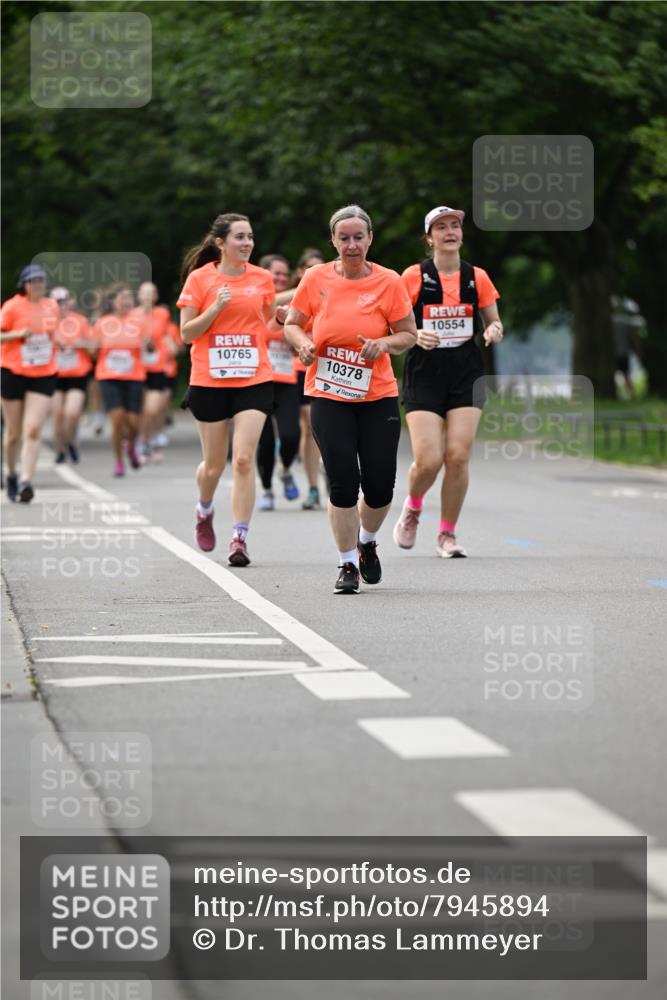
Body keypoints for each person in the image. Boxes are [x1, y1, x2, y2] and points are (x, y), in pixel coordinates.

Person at [285, 205, 417, 594]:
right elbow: (292, 323)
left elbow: (408, 333)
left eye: (359, 237)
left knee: (379, 486)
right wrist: (304, 344)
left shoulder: (389, 282)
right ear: (333, 241)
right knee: (342, 481)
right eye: (344, 238)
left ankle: (368, 541)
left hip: (377, 393)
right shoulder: (315, 278)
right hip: (327, 391)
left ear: (370, 239)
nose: (352, 244)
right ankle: (345, 565)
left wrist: (384, 343)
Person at [393, 205, 503, 557]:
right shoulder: (413, 276)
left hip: (465, 370)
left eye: (455, 225)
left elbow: (493, 321)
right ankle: (412, 507)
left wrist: (494, 329)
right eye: (441, 227)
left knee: (457, 455)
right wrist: (416, 334)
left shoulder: (478, 277)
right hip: (424, 370)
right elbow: (393, 325)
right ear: (430, 238)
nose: (450, 232)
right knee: (429, 459)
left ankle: (447, 534)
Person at [177, 213, 276, 567]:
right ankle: (204, 509)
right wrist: (216, 307)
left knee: (244, 459)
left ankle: (239, 537)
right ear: (220, 244)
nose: (247, 243)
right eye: (239, 237)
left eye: (250, 236)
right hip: (210, 379)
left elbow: (266, 323)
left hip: (253, 377)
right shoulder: (200, 280)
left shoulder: (262, 279)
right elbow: (186, 334)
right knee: (215, 465)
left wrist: (286, 322)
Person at [1, 264, 59, 502]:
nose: (37, 285)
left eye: (41, 281)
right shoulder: (13, 306)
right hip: (13, 370)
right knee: (14, 433)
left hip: (44, 371)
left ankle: (26, 480)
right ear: (24, 285)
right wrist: (17, 335)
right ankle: (12, 473)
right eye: (32, 281)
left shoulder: (51, 306)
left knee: (33, 429)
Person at [91, 283, 151, 477]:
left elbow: (150, 346)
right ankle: (118, 462)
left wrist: (148, 343)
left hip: (134, 376)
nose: (126, 301)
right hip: (108, 376)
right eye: (122, 297)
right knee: (117, 420)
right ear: (113, 301)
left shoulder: (139, 321)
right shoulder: (102, 322)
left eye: (128, 298)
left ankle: (131, 447)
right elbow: (92, 351)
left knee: (133, 423)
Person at [255, 254, 301, 509]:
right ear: (264, 275)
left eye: (285, 274)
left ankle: (284, 470)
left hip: (285, 379)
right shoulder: (255, 301)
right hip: (258, 381)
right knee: (263, 442)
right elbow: (269, 306)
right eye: (276, 274)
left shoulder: (296, 303)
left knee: (290, 435)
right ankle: (267, 489)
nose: (282, 278)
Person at [290, 248, 326, 510]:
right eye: (310, 267)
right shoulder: (295, 297)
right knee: (309, 428)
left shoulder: (334, 292)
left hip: (331, 370)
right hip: (299, 370)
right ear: (301, 272)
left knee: (323, 429)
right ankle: (313, 486)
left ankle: (331, 468)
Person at [50, 286, 95, 464]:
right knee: (57, 414)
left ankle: (71, 442)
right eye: (57, 302)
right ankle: (60, 449)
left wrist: (80, 343)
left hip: (77, 373)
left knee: (72, 413)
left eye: (64, 301)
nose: (62, 306)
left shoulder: (81, 321)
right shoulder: (46, 322)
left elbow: (93, 350)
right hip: (53, 374)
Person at [132, 282, 171, 462]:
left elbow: (165, 336)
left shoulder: (162, 314)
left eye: (151, 294)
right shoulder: (132, 316)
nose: (148, 297)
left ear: (155, 297)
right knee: (140, 410)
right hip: (137, 368)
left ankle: (150, 439)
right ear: (139, 296)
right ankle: (142, 443)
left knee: (153, 409)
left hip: (156, 367)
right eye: (144, 293)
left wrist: (169, 345)